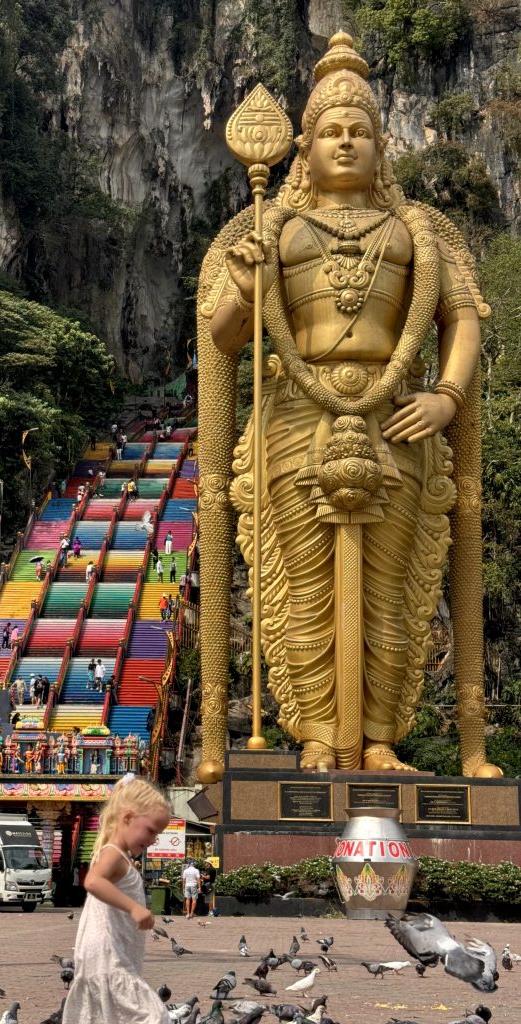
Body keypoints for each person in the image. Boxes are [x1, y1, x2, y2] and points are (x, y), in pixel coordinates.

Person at [196, 30, 500, 777]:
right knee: (302, 587)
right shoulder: (269, 226)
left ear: (379, 146)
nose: (344, 142)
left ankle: (378, 740)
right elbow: (223, 338)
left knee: (392, 591)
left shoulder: (417, 231)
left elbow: (461, 319)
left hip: (397, 415)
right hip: (296, 420)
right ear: (302, 145)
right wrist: (244, 280)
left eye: (358, 131)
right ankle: (315, 738)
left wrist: (445, 395)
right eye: (329, 130)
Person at [62, 774, 171, 1024]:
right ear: (128, 817)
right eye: (151, 830)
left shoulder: (120, 856)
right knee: (154, 1017)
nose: (154, 839)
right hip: (108, 957)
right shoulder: (113, 854)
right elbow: (92, 881)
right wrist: (134, 908)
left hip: (112, 956)